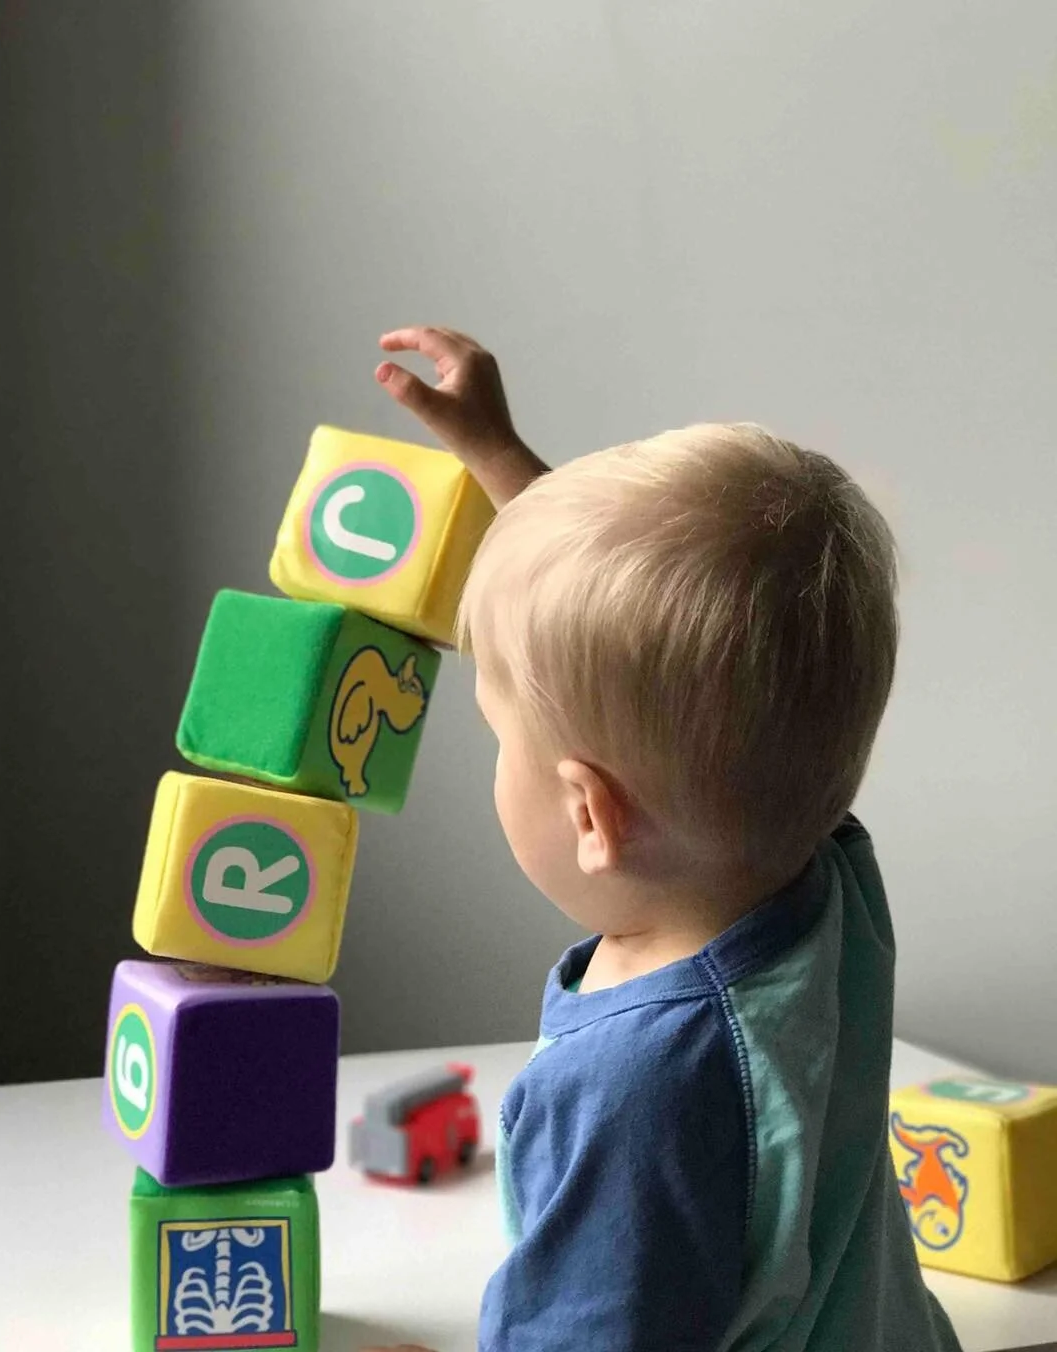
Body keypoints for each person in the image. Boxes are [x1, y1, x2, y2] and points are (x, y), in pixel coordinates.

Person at [362, 327, 962, 1352]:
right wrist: (505, 465)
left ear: (591, 814)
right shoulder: (814, 860)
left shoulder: (636, 1088)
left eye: (500, 735)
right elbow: (691, 669)